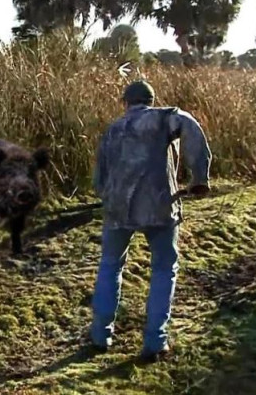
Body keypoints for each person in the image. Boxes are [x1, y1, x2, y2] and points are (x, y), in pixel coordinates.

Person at [89, 80, 212, 362]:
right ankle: (156, 341)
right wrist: (199, 178)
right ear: (151, 100)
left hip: (117, 210)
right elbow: (190, 126)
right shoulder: (163, 118)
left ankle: (100, 335)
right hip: (159, 206)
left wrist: (108, 197)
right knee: (163, 268)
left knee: (110, 266)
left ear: (126, 102)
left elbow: (99, 178)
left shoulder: (113, 129)